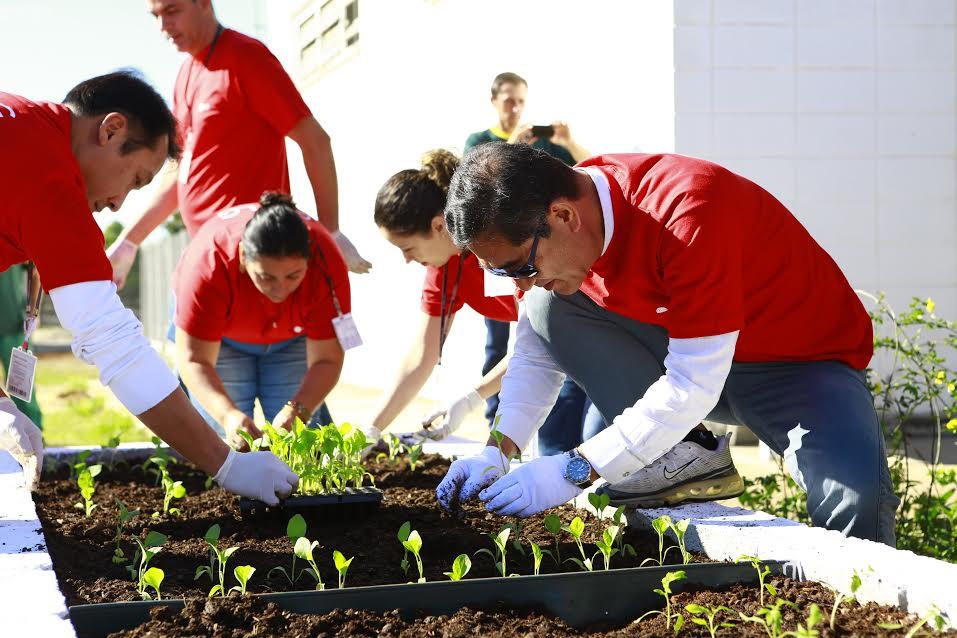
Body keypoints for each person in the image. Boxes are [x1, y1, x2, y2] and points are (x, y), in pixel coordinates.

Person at [437, 143, 898, 546]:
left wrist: (575, 469)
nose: (521, 284)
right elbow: (537, 348)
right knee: (545, 307)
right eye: (501, 273)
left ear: (562, 216)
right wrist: (497, 451)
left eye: (519, 267)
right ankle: (684, 456)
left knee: (856, 500)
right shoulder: (565, 230)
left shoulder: (686, 212)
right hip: (690, 359)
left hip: (798, 366)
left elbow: (692, 383)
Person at [0, 71, 297, 504]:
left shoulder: (19, 123)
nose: (119, 203)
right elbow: (114, 343)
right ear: (111, 129)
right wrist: (227, 463)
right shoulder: (51, 179)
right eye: (136, 179)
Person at [107, 0, 370, 288]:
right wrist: (129, 241)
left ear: (204, 4)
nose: (163, 26)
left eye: (172, 11)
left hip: (254, 259)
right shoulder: (185, 74)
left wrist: (330, 231)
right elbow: (182, 170)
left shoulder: (246, 57)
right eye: (155, 16)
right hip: (206, 254)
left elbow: (315, 141)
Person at [365, 149, 603, 449]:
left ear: (439, 226)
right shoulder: (444, 267)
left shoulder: (501, 242)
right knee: (553, 450)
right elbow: (423, 354)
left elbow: (539, 340)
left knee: (593, 443)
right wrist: (371, 429)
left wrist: (473, 396)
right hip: (546, 352)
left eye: (408, 247)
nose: (407, 260)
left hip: (584, 335)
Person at [464, 72, 594, 449]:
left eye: (521, 100)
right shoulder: (482, 140)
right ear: (493, 101)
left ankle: (530, 431)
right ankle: (496, 415)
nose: (515, 107)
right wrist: (511, 146)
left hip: (539, 257)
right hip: (504, 259)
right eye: (508, 100)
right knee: (501, 342)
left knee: (544, 337)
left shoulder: (545, 147)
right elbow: (473, 188)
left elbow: (587, 170)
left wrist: (566, 140)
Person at [173, 192, 350, 448]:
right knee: (230, 443)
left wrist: (297, 409)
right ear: (244, 256)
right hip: (221, 344)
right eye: (266, 277)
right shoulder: (208, 264)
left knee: (298, 441)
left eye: (293, 276)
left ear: (308, 260)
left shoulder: (326, 261)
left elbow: (328, 359)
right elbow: (194, 359)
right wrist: (228, 415)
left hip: (291, 341)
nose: (280, 289)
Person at [0, 266, 42, 428]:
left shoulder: (11, 239)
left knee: (21, 389)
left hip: (13, 323)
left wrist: (33, 312)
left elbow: (35, 272)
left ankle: (33, 434)